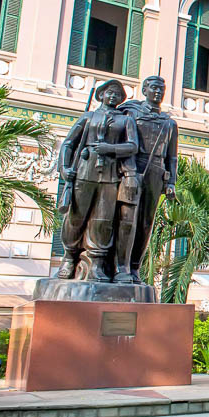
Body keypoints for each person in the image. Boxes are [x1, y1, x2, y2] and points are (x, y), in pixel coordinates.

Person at [57, 79, 139, 282]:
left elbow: (132, 146)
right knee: (76, 217)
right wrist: (65, 168)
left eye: (117, 94)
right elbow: (68, 144)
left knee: (102, 222)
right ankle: (69, 257)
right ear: (101, 95)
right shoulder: (89, 117)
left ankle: (96, 264)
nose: (113, 96)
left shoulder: (125, 121)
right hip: (85, 172)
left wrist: (110, 149)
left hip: (110, 175)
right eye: (109, 92)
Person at [118, 76, 179, 284]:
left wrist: (171, 183)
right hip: (133, 167)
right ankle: (120, 266)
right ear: (144, 90)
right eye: (153, 88)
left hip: (156, 171)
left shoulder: (169, 123)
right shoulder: (130, 113)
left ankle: (135, 267)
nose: (158, 92)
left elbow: (172, 156)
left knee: (145, 223)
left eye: (161, 89)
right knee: (126, 219)